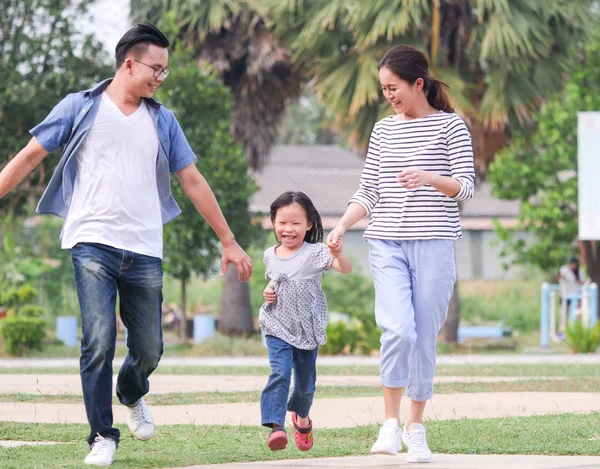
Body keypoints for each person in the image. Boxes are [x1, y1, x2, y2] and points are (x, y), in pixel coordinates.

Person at [0, 23, 252, 467]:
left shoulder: (162, 120)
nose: (160, 78)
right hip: (91, 240)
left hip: (144, 247)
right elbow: (30, 156)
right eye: (156, 69)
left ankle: (131, 391)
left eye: (165, 72)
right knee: (97, 339)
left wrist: (228, 240)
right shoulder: (80, 107)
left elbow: (191, 179)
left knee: (150, 347)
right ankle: (102, 434)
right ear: (129, 63)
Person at [327, 45, 475, 463]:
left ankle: (416, 427)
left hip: (434, 244)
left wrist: (429, 178)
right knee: (398, 331)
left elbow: (465, 186)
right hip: (386, 241)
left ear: (418, 83)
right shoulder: (383, 130)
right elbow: (370, 190)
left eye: (393, 87)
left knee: (424, 337)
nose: (389, 95)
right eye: (383, 89)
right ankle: (389, 424)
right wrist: (341, 225)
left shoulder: (451, 127)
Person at [259, 191, 352, 452]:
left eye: (296, 223)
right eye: (282, 222)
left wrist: (338, 252)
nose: (288, 229)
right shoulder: (270, 254)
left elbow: (345, 268)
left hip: (307, 329)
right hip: (277, 325)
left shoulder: (316, 253)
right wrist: (268, 293)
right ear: (274, 222)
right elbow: (272, 285)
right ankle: (276, 427)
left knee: (305, 385)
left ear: (309, 224)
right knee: (279, 373)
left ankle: (301, 418)